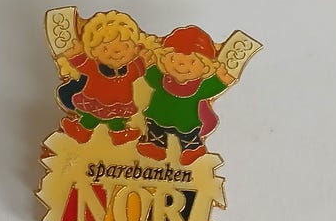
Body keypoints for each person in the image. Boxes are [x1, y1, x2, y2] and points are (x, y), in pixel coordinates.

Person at [137, 26, 235, 165]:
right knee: (155, 130)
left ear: (205, 68)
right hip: (158, 116)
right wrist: (147, 63)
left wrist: (223, 79)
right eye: (173, 59)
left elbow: (213, 89)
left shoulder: (199, 87)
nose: (181, 65)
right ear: (163, 59)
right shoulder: (162, 79)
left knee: (189, 137)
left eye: (192, 62)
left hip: (186, 123)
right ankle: (155, 147)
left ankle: (192, 151)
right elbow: (152, 78)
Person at [57, 10, 157, 145]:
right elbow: (82, 65)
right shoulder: (94, 67)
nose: (117, 52)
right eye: (105, 49)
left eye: (125, 46)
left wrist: (143, 60)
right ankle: (81, 132)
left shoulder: (130, 69)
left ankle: (120, 135)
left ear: (134, 48)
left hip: (119, 104)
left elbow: (138, 71)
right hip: (95, 102)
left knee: (116, 121)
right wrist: (75, 54)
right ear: (93, 52)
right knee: (90, 118)